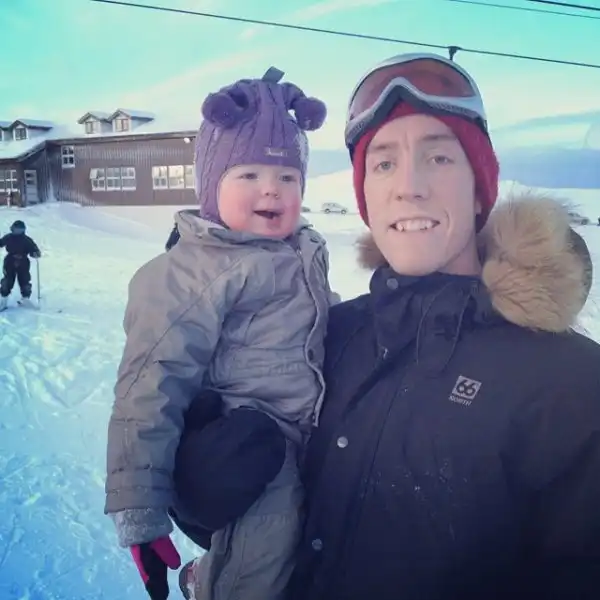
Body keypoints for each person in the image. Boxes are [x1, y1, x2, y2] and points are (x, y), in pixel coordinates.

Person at [281, 52, 600, 600]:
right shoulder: (326, 336)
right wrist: (208, 495)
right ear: (366, 198)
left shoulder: (572, 385)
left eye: (439, 158)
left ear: (480, 189)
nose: (409, 187)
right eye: (383, 164)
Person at [104, 66, 335, 600]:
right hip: (248, 446)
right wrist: (140, 506)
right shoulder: (191, 271)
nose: (271, 189)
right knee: (267, 552)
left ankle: (208, 576)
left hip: (310, 431)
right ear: (211, 186)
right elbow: (149, 383)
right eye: (248, 174)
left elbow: (320, 320)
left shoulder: (302, 252)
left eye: (288, 178)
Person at [0, 220, 41, 310]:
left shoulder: (27, 240)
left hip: (23, 261)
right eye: (16, 229)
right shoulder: (9, 237)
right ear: (13, 229)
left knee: (25, 279)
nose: (18, 232)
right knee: (8, 279)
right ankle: (3, 299)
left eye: (20, 230)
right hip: (10, 260)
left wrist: (35, 253)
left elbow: (33, 248)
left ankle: (25, 299)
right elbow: (1, 242)